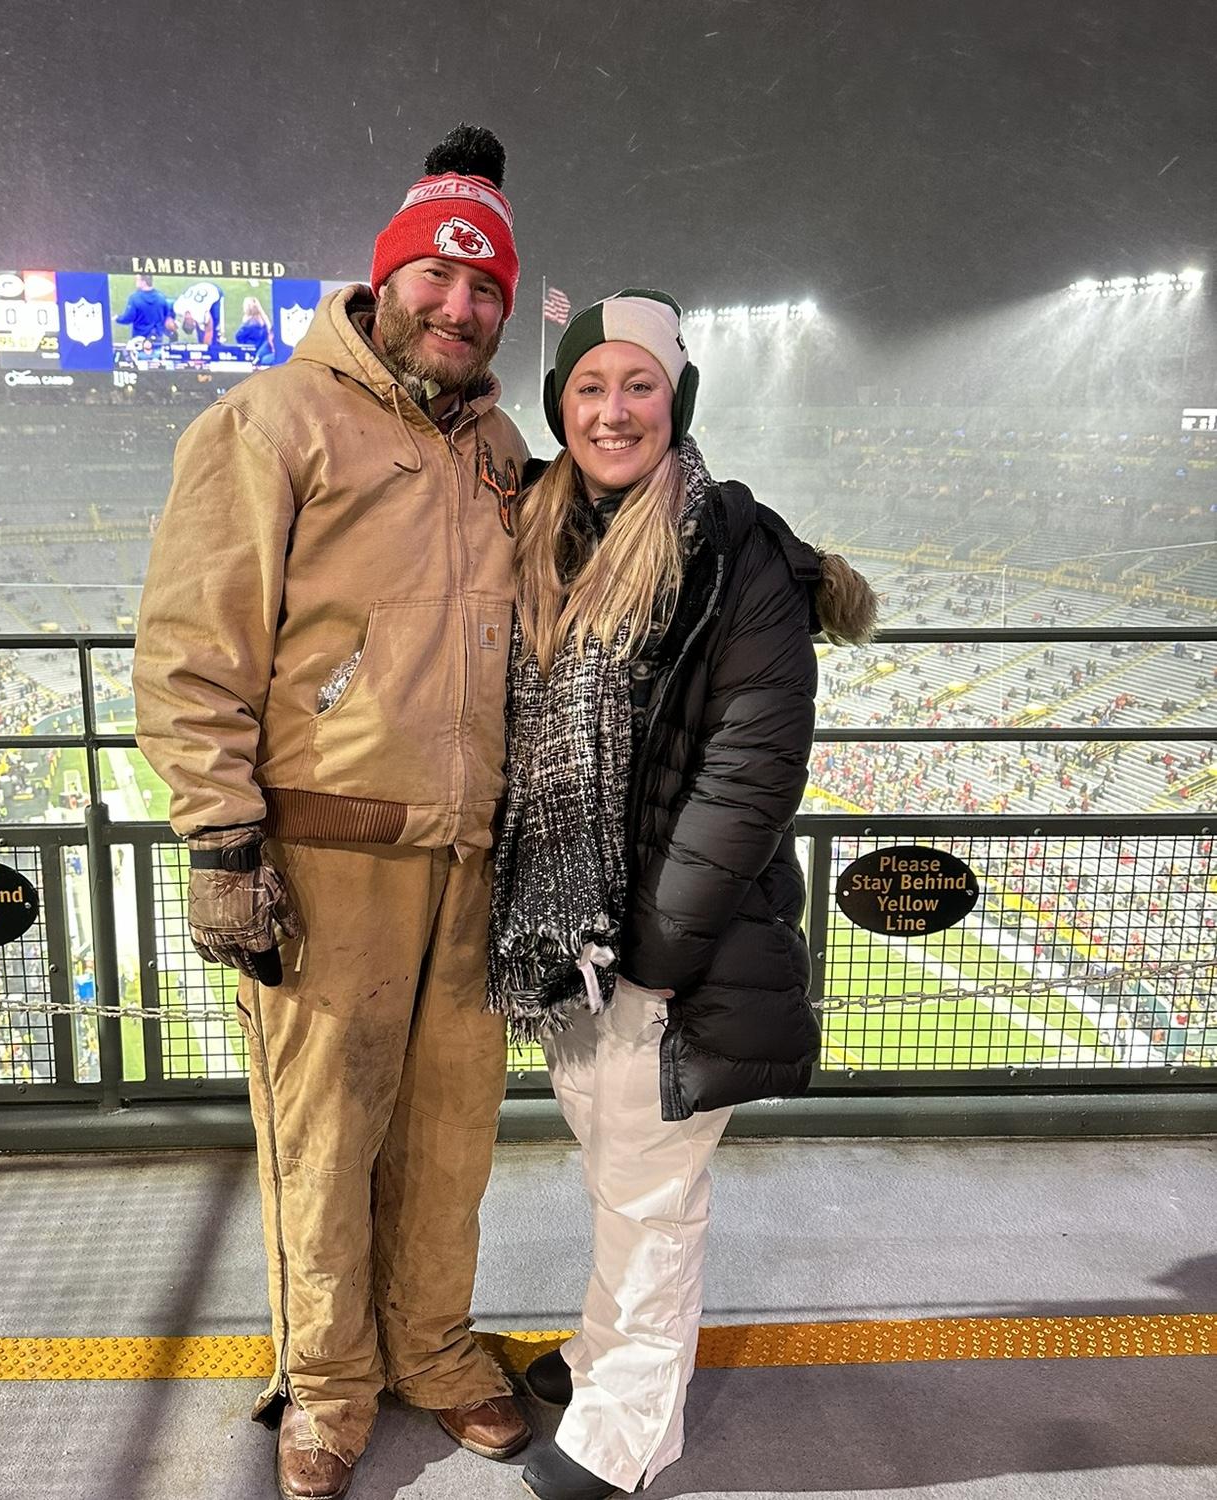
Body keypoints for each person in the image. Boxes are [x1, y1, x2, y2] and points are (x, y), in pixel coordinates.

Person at [133, 124, 532, 1500]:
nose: (460, 307)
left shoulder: (498, 446)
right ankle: (329, 1383)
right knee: (324, 1133)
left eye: (486, 290)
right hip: (326, 855)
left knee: (451, 1134)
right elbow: (196, 644)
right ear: (387, 281)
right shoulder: (271, 419)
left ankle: (432, 1350)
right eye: (439, 278)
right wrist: (221, 840)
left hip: (474, 859)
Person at [487, 291, 877, 1500]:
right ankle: (605, 1353)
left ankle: (628, 1434)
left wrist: (652, 953)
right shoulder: (553, 531)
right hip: (576, 938)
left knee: (654, 1192)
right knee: (619, 1168)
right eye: (588, 387)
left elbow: (747, 774)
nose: (613, 410)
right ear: (561, 406)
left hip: (666, 947)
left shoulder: (732, 552)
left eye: (638, 385)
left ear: (678, 400)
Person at [115, 273, 176, 343]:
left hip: (139, 339)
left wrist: (118, 318)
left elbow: (128, 318)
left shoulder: (134, 298)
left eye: (137, 280)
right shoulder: (161, 298)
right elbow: (166, 317)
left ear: (143, 282)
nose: (135, 282)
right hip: (157, 340)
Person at [234, 295, 277, 364]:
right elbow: (269, 329)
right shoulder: (264, 321)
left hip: (252, 352)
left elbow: (238, 337)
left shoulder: (248, 324)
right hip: (262, 349)